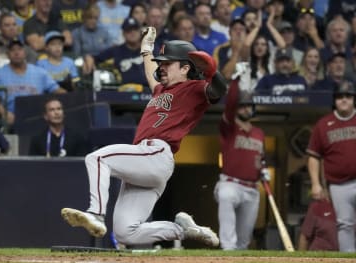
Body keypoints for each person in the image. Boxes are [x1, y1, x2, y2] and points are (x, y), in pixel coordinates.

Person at [61, 28, 228, 247]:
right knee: (125, 233)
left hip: (156, 153)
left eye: (168, 63)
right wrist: (146, 49)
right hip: (146, 164)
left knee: (97, 158)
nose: (162, 67)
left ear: (185, 68)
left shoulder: (194, 89)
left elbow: (219, 91)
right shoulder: (160, 90)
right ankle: (183, 230)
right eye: (162, 63)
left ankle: (96, 213)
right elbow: (150, 70)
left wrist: (212, 72)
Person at [214, 64, 266, 250]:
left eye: (248, 106)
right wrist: (235, 81)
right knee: (226, 196)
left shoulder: (259, 133)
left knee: (244, 240)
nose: (245, 109)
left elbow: (260, 159)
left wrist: (263, 169)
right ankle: (227, 248)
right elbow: (230, 104)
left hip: (252, 188)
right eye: (242, 106)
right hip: (231, 183)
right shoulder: (229, 127)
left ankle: (237, 256)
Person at [306, 80, 356, 252]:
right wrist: (315, 183)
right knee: (344, 225)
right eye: (340, 96)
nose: (344, 100)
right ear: (334, 100)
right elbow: (313, 156)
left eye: (348, 96)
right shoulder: (323, 124)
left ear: (354, 99)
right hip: (338, 185)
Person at [0, 39, 65, 127]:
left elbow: (57, 90)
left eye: (19, 49)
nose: (16, 53)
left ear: (25, 52)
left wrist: (68, 97)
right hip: (13, 118)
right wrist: (5, 113)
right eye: (12, 50)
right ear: (7, 54)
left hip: (37, 117)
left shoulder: (40, 72)